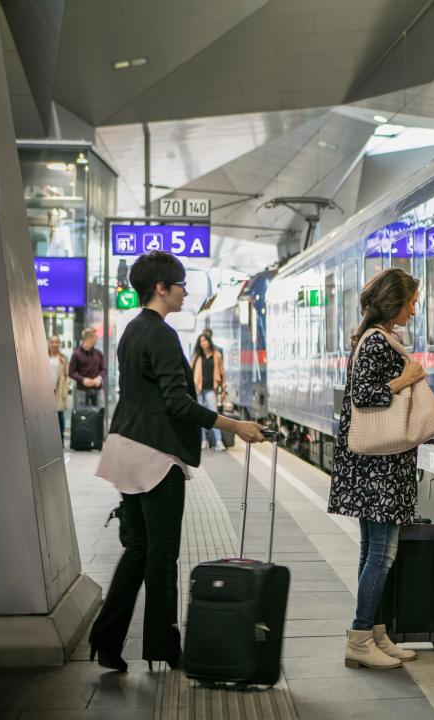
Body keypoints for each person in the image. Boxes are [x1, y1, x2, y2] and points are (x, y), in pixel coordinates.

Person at [87, 251, 267, 673]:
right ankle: (165, 647)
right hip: (154, 455)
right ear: (160, 288)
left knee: (138, 550)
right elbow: (179, 404)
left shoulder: (131, 331)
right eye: (181, 283)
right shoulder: (162, 334)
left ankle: (106, 638)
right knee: (162, 555)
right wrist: (234, 425)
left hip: (124, 448)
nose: (187, 290)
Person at [327, 268, 426, 670]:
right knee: (381, 554)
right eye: (412, 302)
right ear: (394, 303)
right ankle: (360, 635)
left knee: (373, 550)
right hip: (378, 468)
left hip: (377, 464)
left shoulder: (374, 339)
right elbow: (365, 395)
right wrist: (407, 378)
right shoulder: (376, 343)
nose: (414, 310)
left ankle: (377, 633)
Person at [192, 333, 226, 451]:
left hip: (210, 388)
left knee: (214, 414)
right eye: (201, 341)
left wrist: (223, 389)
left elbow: (222, 373)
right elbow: (191, 371)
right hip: (198, 388)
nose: (203, 343)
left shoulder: (217, 355)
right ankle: (203, 440)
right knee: (199, 415)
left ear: (209, 342)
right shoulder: (197, 356)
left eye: (205, 341)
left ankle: (218, 441)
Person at [69, 327, 106, 408]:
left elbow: (103, 369)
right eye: (95, 337)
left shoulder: (98, 353)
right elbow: (71, 372)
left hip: (98, 390)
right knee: (81, 416)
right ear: (89, 337)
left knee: (100, 414)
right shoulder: (76, 354)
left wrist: (99, 378)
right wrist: (83, 379)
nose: (97, 339)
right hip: (81, 390)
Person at [48, 335, 70, 445]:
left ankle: (60, 440)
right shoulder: (43, 357)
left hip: (59, 389)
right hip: (46, 390)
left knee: (59, 414)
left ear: (59, 344)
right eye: (52, 341)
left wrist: (65, 388)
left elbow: (67, 375)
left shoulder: (63, 358)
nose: (54, 344)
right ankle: (49, 439)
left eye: (56, 342)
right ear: (49, 343)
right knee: (46, 414)